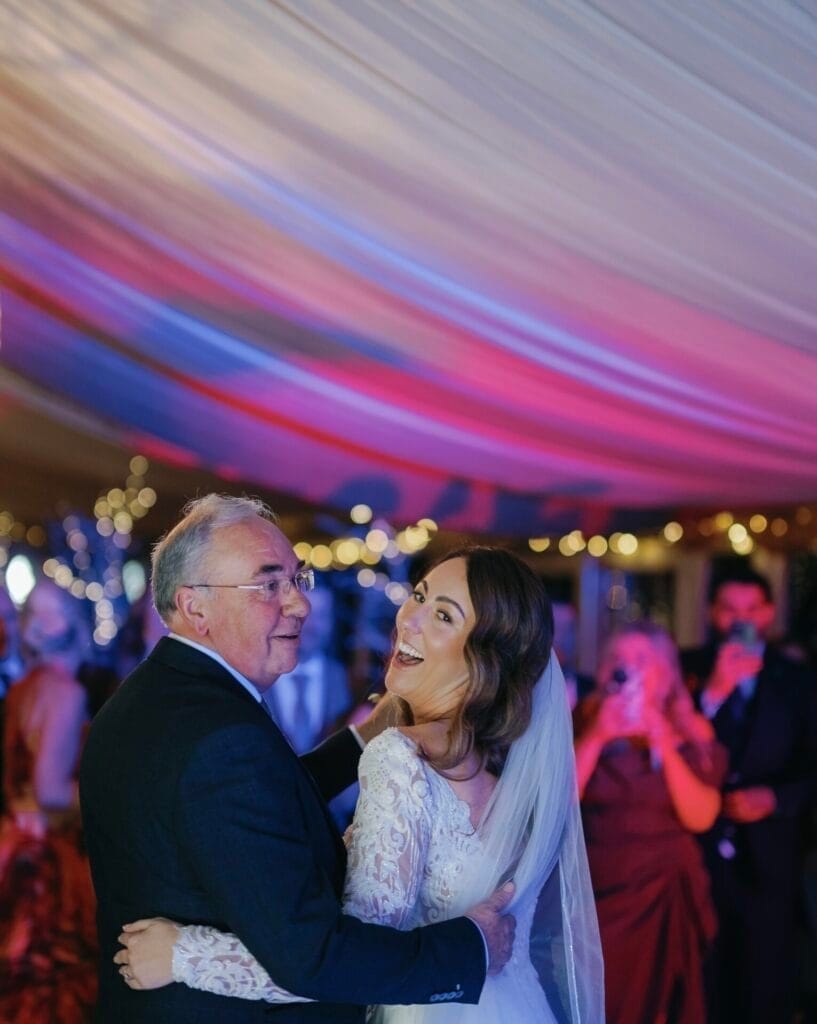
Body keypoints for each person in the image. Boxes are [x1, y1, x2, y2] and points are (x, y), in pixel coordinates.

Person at [112, 544, 604, 1023]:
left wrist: (183, 955)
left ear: (484, 660)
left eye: (444, 616)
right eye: (420, 596)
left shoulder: (400, 759)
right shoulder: (517, 774)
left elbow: (348, 964)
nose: (408, 620)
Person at [682, 565, 817, 1024]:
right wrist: (714, 693)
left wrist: (776, 800)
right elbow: (667, 756)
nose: (741, 621)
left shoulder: (798, 680)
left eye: (751, 609)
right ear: (711, 613)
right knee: (705, 986)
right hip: (696, 861)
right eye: (729, 610)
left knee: (765, 990)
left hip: (772, 864)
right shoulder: (687, 669)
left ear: (769, 612)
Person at [575, 622, 725, 1024]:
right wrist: (597, 736)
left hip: (662, 885)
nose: (627, 668)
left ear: (665, 671)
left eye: (641, 660)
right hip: (598, 887)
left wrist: (662, 741)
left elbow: (702, 815)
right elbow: (558, 802)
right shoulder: (582, 719)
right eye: (617, 659)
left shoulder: (689, 730)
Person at [0, 580, 98, 1023]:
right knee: (51, 988)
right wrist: (104, 792)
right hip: (47, 866)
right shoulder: (65, 693)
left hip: (13, 847)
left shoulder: (23, 688)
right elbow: (50, 791)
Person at [264, 584, 352, 754]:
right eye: (304, 616)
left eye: (322, 615)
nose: (312, 626)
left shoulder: (348, 680)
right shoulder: (255, 677)